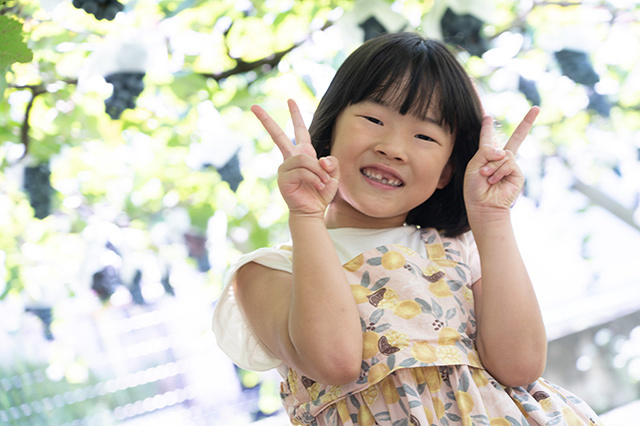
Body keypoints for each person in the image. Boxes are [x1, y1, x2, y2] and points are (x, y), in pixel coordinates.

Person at [213, 32, 603, 425]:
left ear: (447, 171)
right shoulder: (267, 271)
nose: (393, 147)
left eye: (424, 135)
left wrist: (491, 217)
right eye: (373, 119)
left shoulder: (459, 249)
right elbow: (336, 361)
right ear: (330, 130)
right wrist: (306, 217)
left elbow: (520, 366)